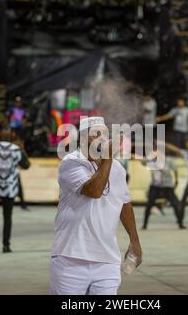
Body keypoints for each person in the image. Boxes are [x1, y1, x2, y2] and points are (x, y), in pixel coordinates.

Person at [50, 117, 142, 295]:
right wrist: (107, 158)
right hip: (71, 258)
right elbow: (94, 191)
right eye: (96, 134)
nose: (103, 138)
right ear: (84, 139)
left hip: (107, 260)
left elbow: (124, 204)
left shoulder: (117, 169)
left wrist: (134, 241)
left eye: (105, 134)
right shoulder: (71, 162)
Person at [141, 144, 185, 230]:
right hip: (155, 186)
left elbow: (174, 170)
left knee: (176, 204)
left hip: (167, 186)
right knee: (149, 205)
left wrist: (176, 181)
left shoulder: (168, 161)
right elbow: (142, 161)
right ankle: (144, 224)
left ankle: (180, 223)